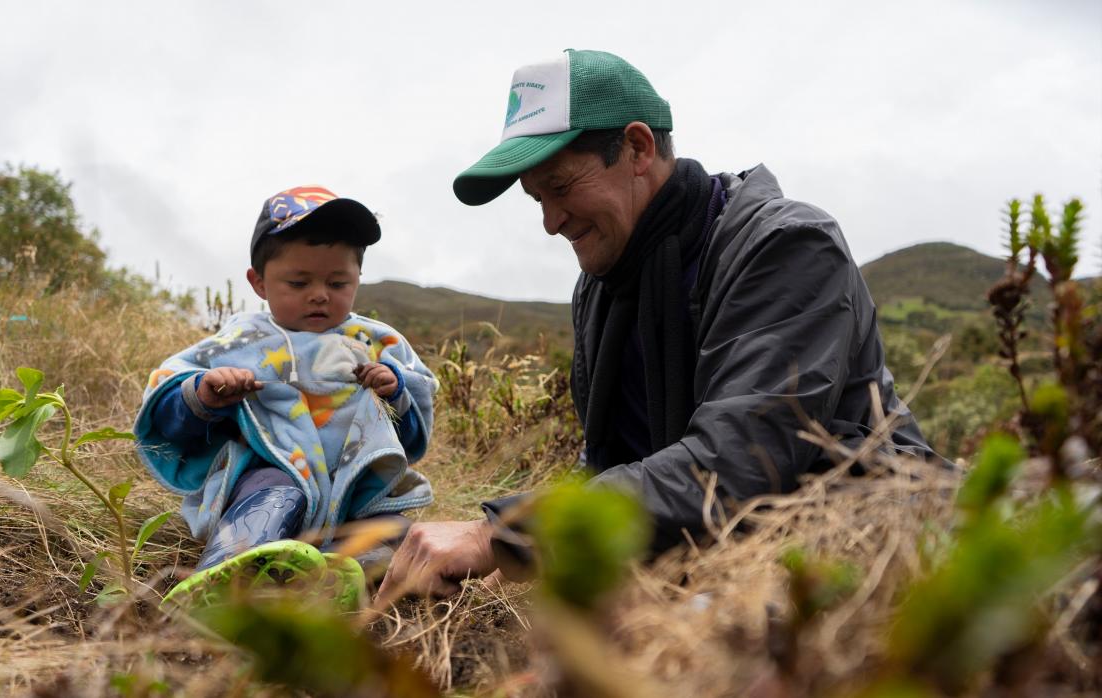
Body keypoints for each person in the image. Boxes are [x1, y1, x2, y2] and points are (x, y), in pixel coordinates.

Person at [377, 49, 941, 598]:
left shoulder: (785, 247)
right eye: (536, 199)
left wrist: (505, 533)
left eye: (561, 187)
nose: (551, 222)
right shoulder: (603, 285)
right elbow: (611, 460)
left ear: (637, 147)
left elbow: (742, 461)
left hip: (868, 552)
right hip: (715, 564)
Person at [134, 186, 439, 607]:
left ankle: (327, 576)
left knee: (400, 536)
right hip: (270, 481)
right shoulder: (242, 341)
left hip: (355, 501)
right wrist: (205, 392)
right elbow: (167, 397)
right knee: (276, 495)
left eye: (338, 282)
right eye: (299, 282)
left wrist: (396, 389)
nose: (319, 294)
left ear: (358, 279)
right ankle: (226, 577)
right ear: (258, 282)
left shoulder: (377, 343)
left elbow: (413, 429)